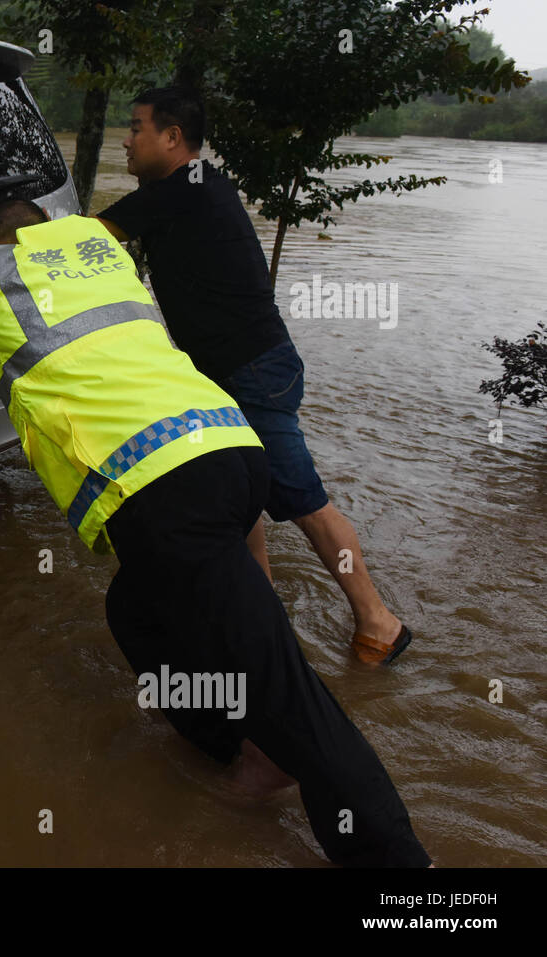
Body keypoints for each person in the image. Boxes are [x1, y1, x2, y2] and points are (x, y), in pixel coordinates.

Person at [0, 196, 431, 866]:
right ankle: (251, 749)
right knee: (135, 611)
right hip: (230, 451)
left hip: (166, 490)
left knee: (289, 692)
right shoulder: (100, 254)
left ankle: (402, 870)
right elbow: (23, 291)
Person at [91, 86, 411, 666]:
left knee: (305, 503)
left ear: (172, 138)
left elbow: (83, 241)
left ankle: (379, 620)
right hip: (228, 373)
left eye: (136, 127)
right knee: (236, 491)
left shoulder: (179, 190)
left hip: (252, 372)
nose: (126, 139)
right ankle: (262, 617)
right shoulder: (191, 189)